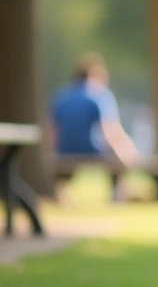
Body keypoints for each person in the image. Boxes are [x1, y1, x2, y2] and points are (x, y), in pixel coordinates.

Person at [47, 54, 139, 200]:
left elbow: (53, 130)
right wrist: (126, 150)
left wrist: (52, 152)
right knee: (118, 157)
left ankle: (61, 193)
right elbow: (109, 130)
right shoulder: (99, 95)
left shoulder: (61, 96)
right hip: (91, 149)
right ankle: (117, 193)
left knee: (63, 167)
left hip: (65, 149)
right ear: (96, 75)